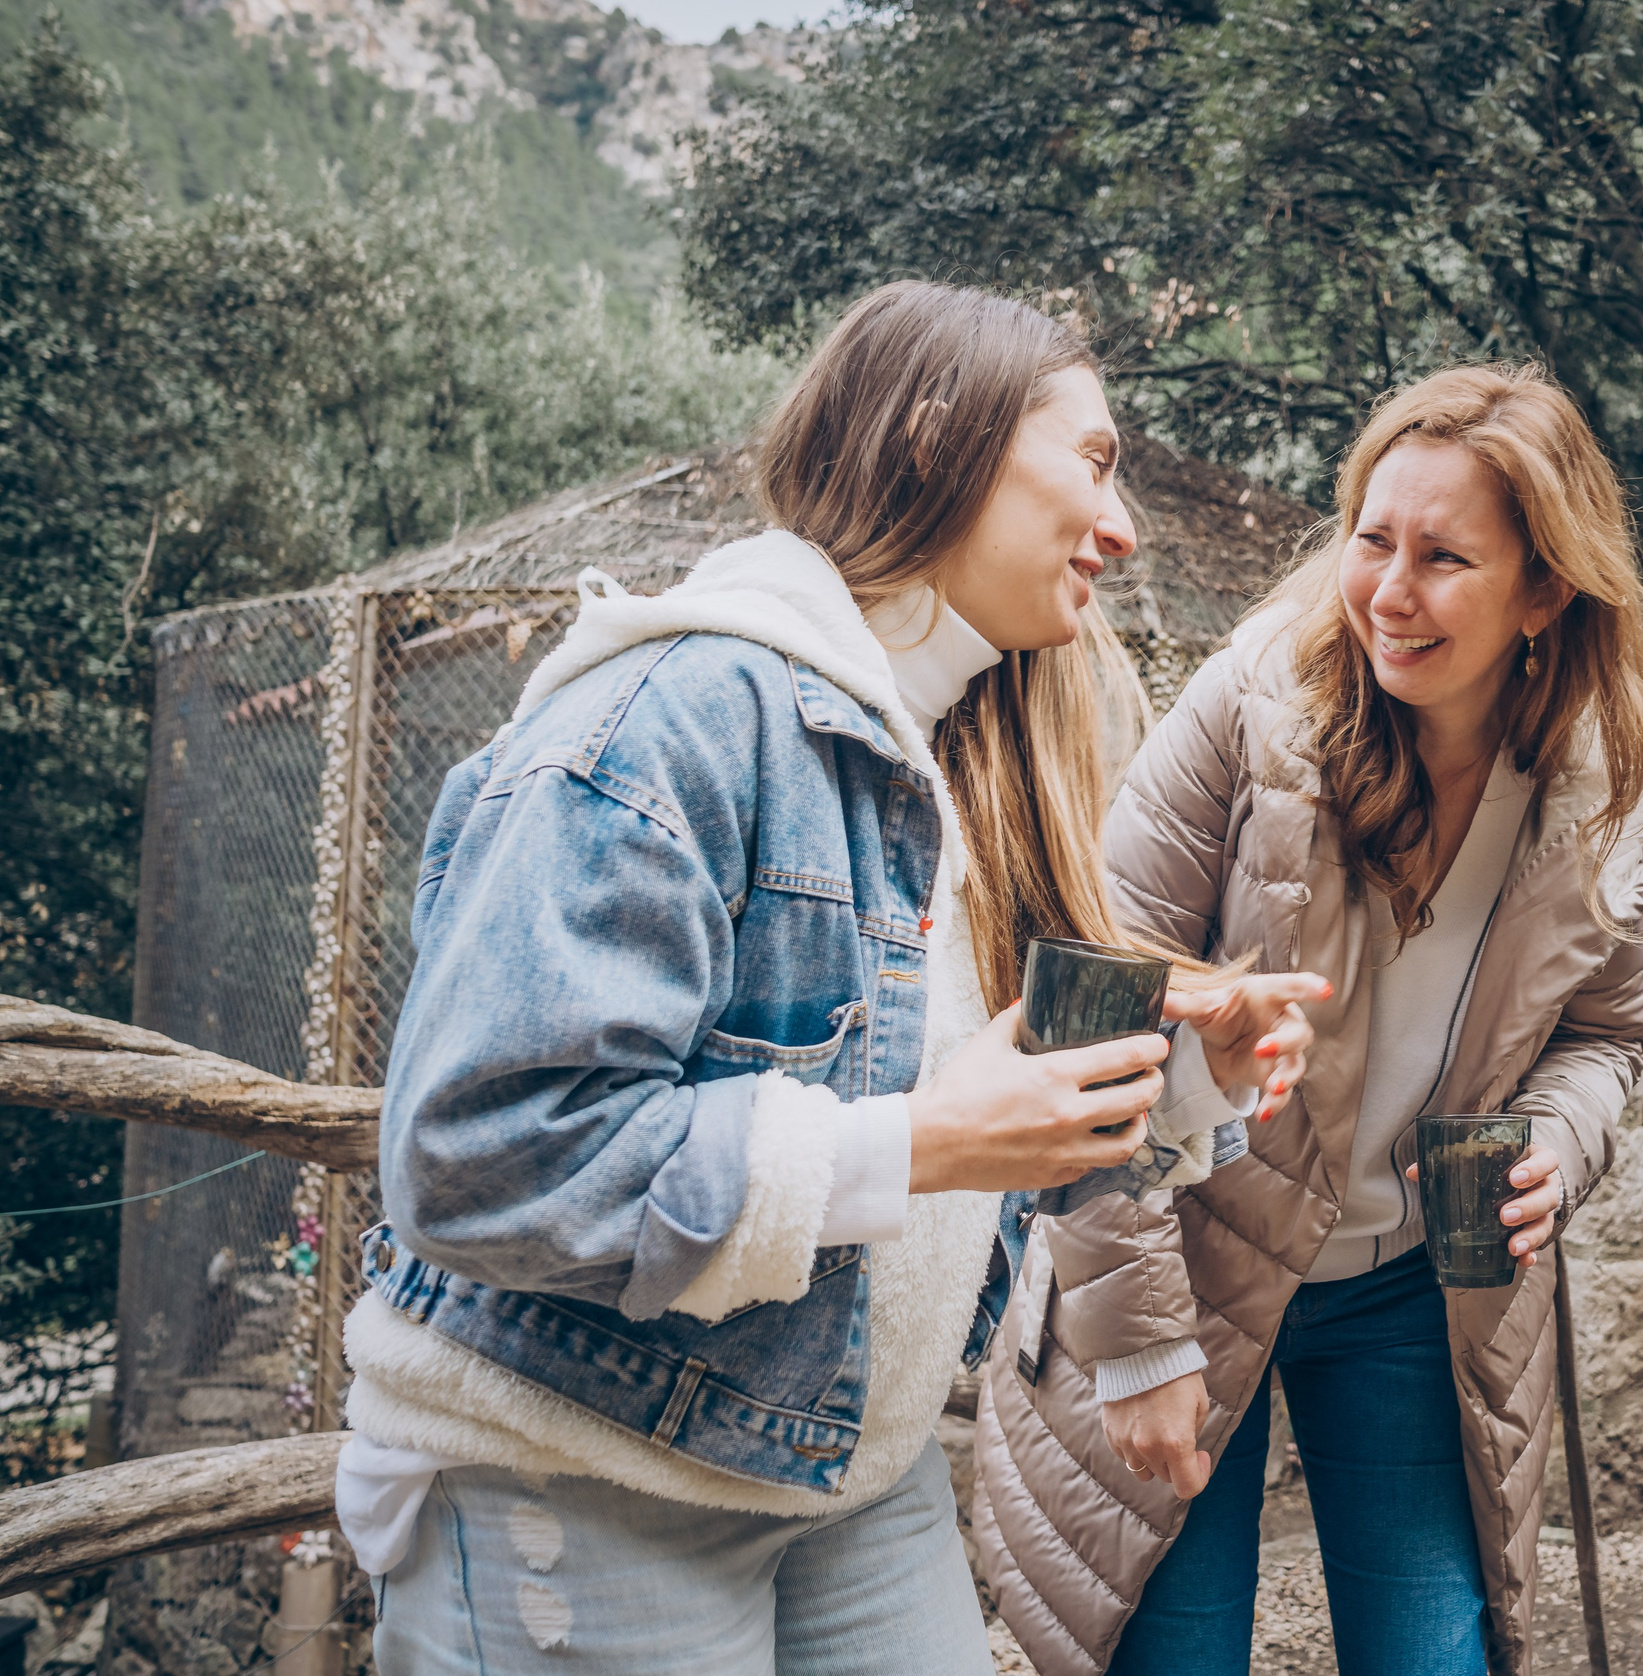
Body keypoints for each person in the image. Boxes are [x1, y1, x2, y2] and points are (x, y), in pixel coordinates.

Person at [337, 281, 1321, 1675]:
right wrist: (918, 1143)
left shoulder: (965, 747)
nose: (1124, 526)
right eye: (1094, 464)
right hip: (587, 1474)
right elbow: (477, 1157)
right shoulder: (673, 715)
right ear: (938, 438)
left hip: (853, 1479)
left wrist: (1193, 1077)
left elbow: (965, 1129)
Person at [971, 363, 1643, 1676]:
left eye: (1444, 558)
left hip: (1417, 1284)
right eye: (1372, 538)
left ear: (1546, 592)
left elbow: (1607, 1033)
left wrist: (1555, 1141)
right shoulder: (1255, 703)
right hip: (1185, 1255)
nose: (1388, 592)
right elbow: (1086, 999)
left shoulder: (1617, 769)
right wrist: (1133, 1347)